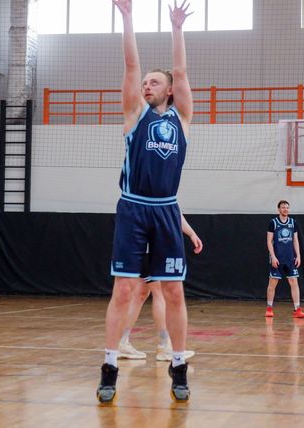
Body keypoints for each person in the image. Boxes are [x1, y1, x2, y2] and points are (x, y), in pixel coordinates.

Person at [97, 0, 194, 404]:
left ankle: (178, 365)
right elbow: (131, 66)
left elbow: (182, 72)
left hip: (167, 209)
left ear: (169, 90)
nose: (147, 86)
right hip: (133, 207)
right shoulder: (135, 114)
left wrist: (177, 29)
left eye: (155, 82)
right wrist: (127, 17)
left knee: (173, 292)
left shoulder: (181, 118)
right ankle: (109, 365)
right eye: (146, 83)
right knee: (124, 290)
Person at [119, 215, 203, 362]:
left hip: (141, 245)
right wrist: (190, 233)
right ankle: (165, 346)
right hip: (150, 246)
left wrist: (191, 233)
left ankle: (121, 342)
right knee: (159, 293)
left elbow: (174, 210)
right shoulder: (153, 203)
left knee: (140, 293)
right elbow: (173, 211)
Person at [265, 200, 304, 318]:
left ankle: (297, 309)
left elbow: (295, 240)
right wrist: (273, 256)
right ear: (279, 209)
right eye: (283, 207)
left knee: (294, 282)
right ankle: (269, 308)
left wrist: (298, 255)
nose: (285, 209)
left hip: (290, 258)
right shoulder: (273, 222)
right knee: (273, 282)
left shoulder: (293, 222)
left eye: (287, 207)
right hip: (277, 258)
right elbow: (269, 241)